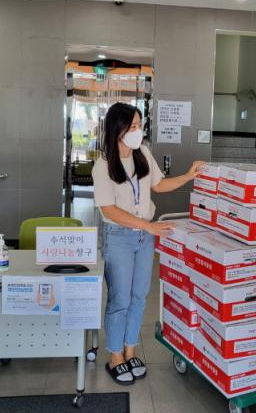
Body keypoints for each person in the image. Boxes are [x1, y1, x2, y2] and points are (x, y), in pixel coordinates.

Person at [91, 102, 203, 385]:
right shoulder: (103, 165)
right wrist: (148, 226)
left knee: (139, 296)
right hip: (119, 236)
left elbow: (159, 185)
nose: (138, 131)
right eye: (133, 126)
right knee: (120, 299)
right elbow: (109, 210)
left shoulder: (143, 154)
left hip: (144, 237)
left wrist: (188, 176)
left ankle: (131, 351)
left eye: (140, 125)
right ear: (117, 129)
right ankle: (115, 356)